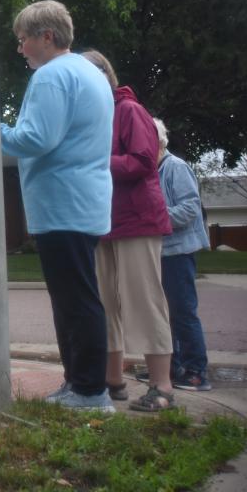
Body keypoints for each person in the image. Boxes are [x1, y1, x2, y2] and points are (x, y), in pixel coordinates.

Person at [0, 1, 116, 413]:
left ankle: (89, 391)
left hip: (62, 204)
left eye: (23, 39)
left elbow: (35, 138)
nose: (20, 49)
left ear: (46, 37)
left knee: (76, 301)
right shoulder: (90, 72)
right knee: (76, 297)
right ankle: (80, 384)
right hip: (83, 202)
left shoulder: (53, 75)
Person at [82, 50, 175, 413]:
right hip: (102, 223)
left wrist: (91, 163)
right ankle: (113, 380)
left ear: (104, 75)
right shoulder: (93, 118)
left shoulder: (130, 111)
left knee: (144, 300)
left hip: (136, 220)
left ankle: (162, 386)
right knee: (104, 304)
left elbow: (141, 161)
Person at [153, 117, 212, 392]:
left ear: (158, 140)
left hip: (178, 252)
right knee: (163, 312)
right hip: (159, 252)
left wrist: (155, 218)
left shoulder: (175, 168)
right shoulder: (152, 170)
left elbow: (190, 208)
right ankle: (172, 366)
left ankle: (196, 370)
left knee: (183, 311)